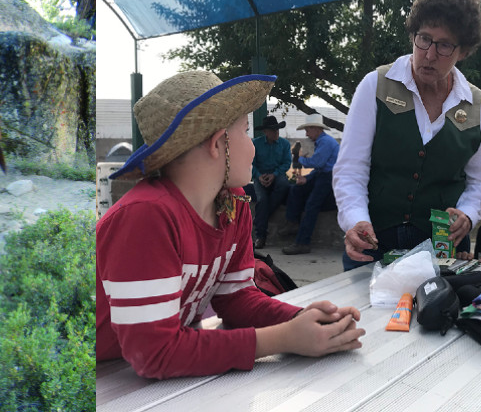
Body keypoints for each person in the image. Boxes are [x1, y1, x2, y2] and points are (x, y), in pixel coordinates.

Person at [95, 71, 363, 380]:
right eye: (246, 132)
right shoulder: (146, 217)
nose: (253, 147)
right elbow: (154, 353)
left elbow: (237, 300)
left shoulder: (234, 205)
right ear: (216, 143)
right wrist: (284, 338)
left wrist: (305, 320)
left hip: (146, 378)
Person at [333, 0, 481, 271]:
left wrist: (468, 214)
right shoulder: (375, 85)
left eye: (444, 45)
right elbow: (351, 169)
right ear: (413, 34)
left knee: (437, 314)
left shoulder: (474, 102)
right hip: (375, 238)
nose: (430, 54)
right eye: (424, 39)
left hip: (443, 244)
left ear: (464, 51)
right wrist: (355, 219)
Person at [282, 114, 339, 255]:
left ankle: (303, 242)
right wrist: (307, 178)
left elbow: (317, 163)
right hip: (324, 175)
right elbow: (321, 167)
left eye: (308, 130)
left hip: (330, 178)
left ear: (316, 129)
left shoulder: (325, 142)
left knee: (311, 206)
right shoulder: (323, 141)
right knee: (296, 190)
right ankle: (292, 223)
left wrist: (300, 158)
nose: (307, 134)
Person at [248, 115, 291, 249]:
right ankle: (260, 236)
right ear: (266, 132)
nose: (276, 133)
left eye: (277, 130)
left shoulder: (285, 144)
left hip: (277, 176)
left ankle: (260, 219)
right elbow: (250, 164)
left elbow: (286, 163)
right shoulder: (255, 143)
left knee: (284, 185)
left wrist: (274, 174)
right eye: (273, 131)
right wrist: (259, 176)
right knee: (261, 199)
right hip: (260, 176)